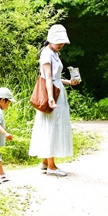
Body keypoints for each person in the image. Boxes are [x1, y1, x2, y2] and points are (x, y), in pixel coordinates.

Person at [29, 24, 80, 176]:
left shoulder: (54, 52)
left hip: (57, 91)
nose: (61, 44)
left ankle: (45, 162)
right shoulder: (46, 54)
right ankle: (51, 166)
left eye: (63, 42)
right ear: (51, 40)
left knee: (54, 126)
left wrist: (69, 82)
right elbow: (48, 78)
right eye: (59, 42)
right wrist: (51, 98)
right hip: (51, 93)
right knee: (51, 126)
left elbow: (56, 78)